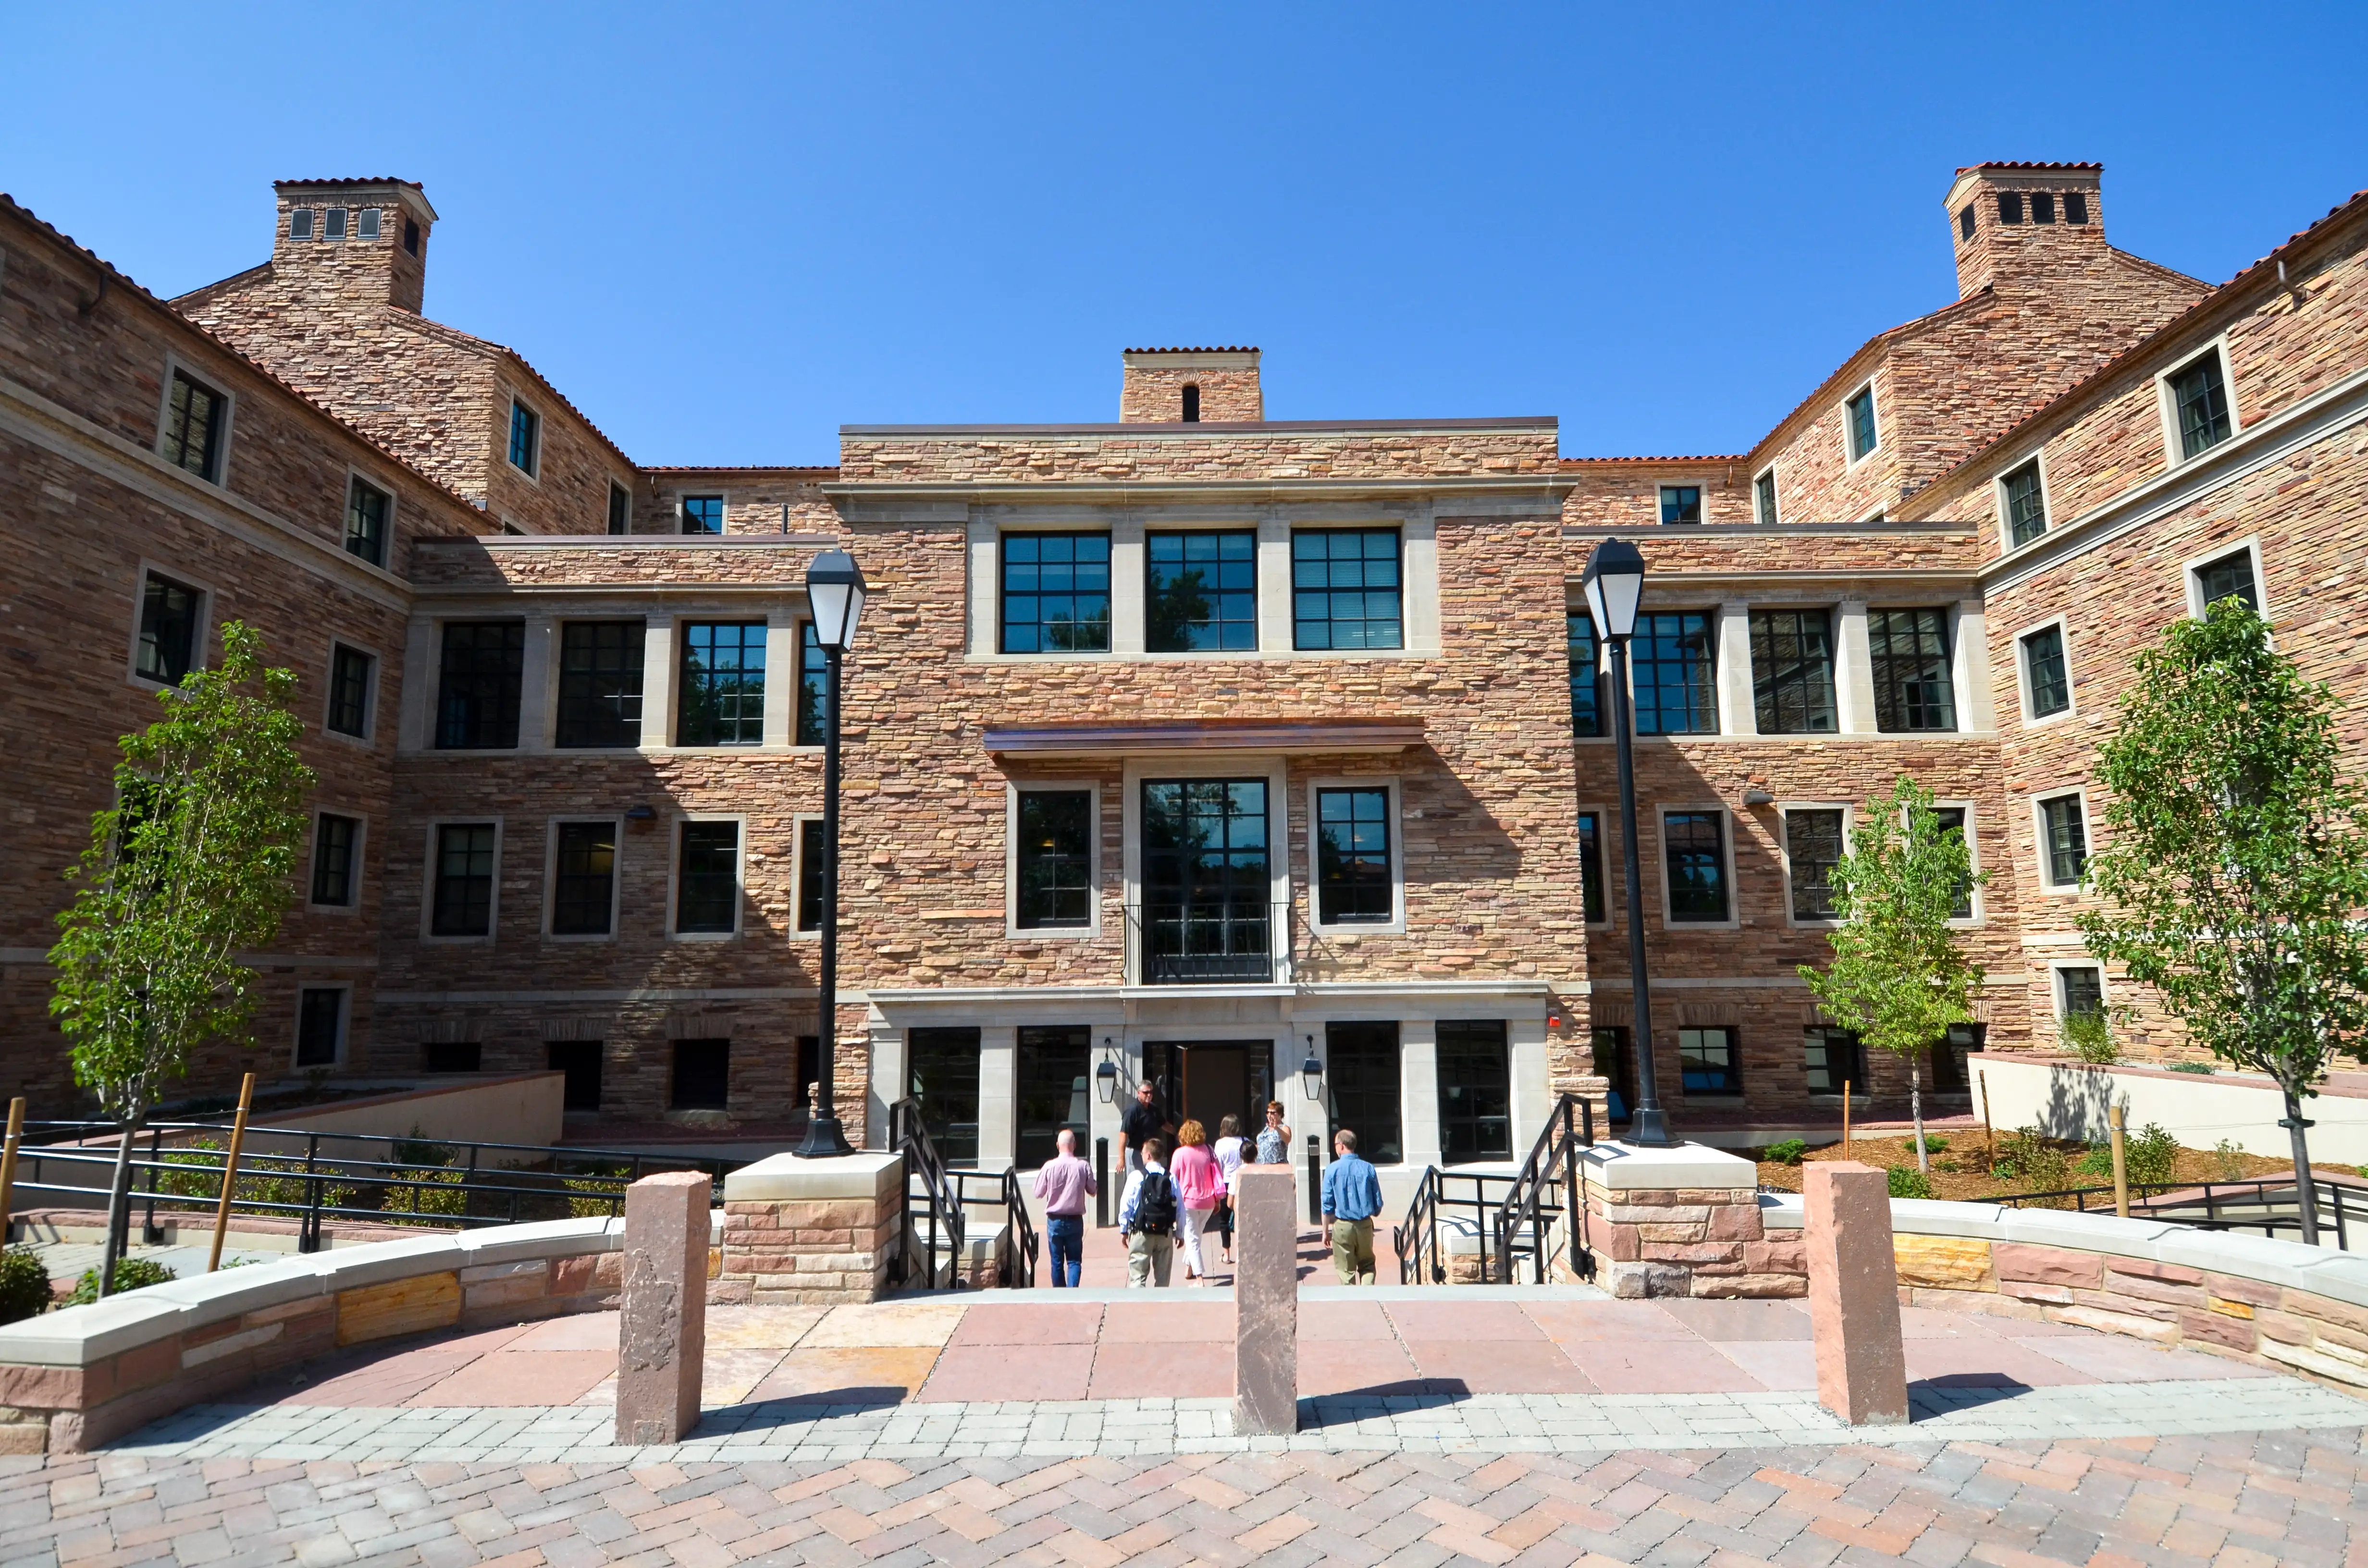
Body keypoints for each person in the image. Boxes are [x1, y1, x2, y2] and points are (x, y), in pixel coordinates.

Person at [1031, 1127, 1096, 1288]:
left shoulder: (1049, 1167)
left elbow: (1038, 1193)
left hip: (1055, 1221)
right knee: (1074, 1261)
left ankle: (1060, 1295)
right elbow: (1093, 1191)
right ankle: (1072, 1294)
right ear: (1075, 1145)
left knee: (1057, 1261)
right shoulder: (1083, 1166)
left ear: (1058, 1145)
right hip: (1075, 1220)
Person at [1321, 1127, 1384, 1285]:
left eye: (1336, 1144)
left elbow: (1326, 1204)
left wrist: (1325, 1232)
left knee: (1345, 1270)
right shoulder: (1368, 1168)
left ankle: (1353, 1302)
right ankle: (1368, 1296)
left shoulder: (1331, 1170)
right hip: (1364, 1224)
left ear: (1342, 1146)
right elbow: (1378, 1202)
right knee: (1368, 1265)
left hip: (1342, 1226)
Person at [1117, 1136, 1176, 1287]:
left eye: (1143, 1153)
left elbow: (1126, 1206)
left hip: (1141, 1232)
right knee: (1163, 1280)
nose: (1142, 1155)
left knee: (1138, 1279)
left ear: (1148, 1155)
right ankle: (1160, 1308)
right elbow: (1180, 1207)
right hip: (1164, 1232)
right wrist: (1180, 1233)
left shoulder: (1137, 1176)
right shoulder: (1171, 1178)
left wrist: (1124, 1229)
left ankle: (1138, 1308)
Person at [1170, 1120, 1222, 1285]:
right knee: (1196, 1237)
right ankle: (1189, 1269)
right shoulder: (1209, 1150)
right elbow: (1218, 1175)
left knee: (1192, 1239)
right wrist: (1218, 1200)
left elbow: (1172, 1179)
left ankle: (1200, 1278)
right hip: (1208, 1201)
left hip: (1188, 1202)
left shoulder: (1180, 1154)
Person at [1211, 1113, 1246, 1266]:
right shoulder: (1245, 1142)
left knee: (1224, 1220)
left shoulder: (1220, 1144)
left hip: (1226, 1183)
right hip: (1243, 1182)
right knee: (1243, 1219)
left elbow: (1218, 1166)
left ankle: (1227, 1253)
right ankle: (1244, 1252)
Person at [1118, 1079, 1164, 1173]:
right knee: (1137, 1181)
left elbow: (1163, 1124)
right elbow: (1123, 1134)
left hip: (1151, 1153)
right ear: (1139, 1093)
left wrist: (1177, 1133)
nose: (1149, 1095)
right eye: (1146, 1092)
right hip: (1136, 1152)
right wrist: (1121, 1158)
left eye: (1151, 1092)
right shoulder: (1132, 1111)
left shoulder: (1154, 1109)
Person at [1253, 1100, 1291, 1166]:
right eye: (1268, 1113)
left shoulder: (1284, 1128)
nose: (1270, 1115)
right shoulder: (1266, 1129)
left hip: (1277, 1166)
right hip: (1262, 1166)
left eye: (1273, 1113)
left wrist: (1276, 1128)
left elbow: (1288, 1139)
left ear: (1280, 1115)